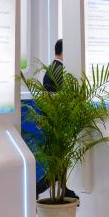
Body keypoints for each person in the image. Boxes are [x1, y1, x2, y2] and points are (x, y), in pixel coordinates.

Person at [37, 39, 77, 200]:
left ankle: (64, 189)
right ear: (64, 52)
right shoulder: (60, 71)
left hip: (52, 122)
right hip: (57, 123)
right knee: (57, 162)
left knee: (59, 161)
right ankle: (36, 188)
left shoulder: (52, 69)